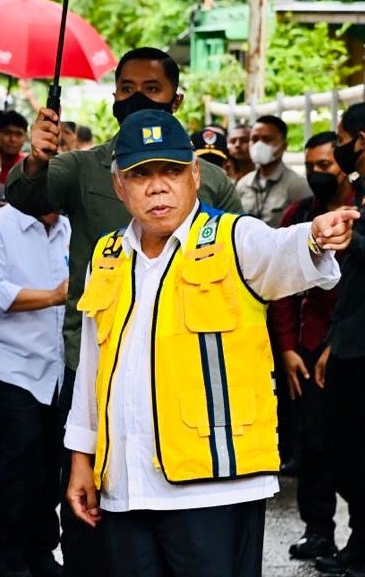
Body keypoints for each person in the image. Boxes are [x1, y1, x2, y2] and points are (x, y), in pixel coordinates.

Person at [65, 108, 356, 577]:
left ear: (195, 175)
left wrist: (316, 238)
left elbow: (282, 251)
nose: (157, 186)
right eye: (141, 175)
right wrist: (82, 458)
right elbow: (94, 369)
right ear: (119, 186)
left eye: (171, 172)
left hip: (216, 486)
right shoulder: (108, 253)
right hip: (126, 483)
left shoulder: (233, 237)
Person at [4, 46, 242, 577]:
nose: (137, 98)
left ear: (176, 99)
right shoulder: (81, 165)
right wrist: (38, 156)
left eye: (151, 89)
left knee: (180, 503)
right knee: (89, 507)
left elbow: (242, 263)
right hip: (91, 361)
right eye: (127, 88)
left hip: (185, 366)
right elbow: (23, 197)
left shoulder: (210, 179)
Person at [269, 131, 354, 564]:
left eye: (325, 166)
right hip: (301, 346)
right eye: (312, 167)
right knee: (310, 442)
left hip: (341, 346)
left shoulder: (356, 215)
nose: (318, 173)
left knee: (345, 444)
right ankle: (318, 529)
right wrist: (286, 349)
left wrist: (333, 345)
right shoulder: (299, 213)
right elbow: (281, 287)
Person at [0, 204, 70, 577]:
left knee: (52, 460)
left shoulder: (69, 228)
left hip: (55, 363)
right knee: (21, 457)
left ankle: (41, 548)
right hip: (7, 363)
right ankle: (9, 551)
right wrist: (55, 295)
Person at [315, 101, 365, 577]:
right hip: (350, 343)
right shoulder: (360, 194)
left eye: (341, 138)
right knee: (342, 449)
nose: (339, 146)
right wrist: (332, 341)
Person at [237, 114, 311, 227]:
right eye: (254, 139)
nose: (259, 145)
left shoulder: (297, 185)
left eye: (267, 139)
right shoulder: (243, 184)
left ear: (283, 146)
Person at [0, 110, 28, 184]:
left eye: (18, 134)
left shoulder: (29, 167)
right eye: (7, 133)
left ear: (25, 137)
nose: (13, 139)